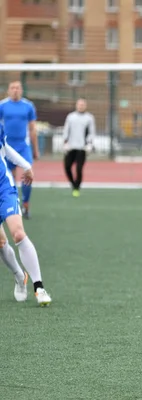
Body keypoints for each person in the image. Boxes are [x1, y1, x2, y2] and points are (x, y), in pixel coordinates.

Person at [0, 123, 51, 306]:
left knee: (18, 233)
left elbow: (4, 148)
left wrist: (25, 165)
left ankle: (39, 287)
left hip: (4, 187)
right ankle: (19, 276)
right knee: (1, 243)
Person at [0, 81, 39, 219]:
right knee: (8, 178)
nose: (15, 90)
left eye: (18, 88)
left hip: (23, 147)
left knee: (28, 173)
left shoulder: (28, 106)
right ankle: (10, 206)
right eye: (12, 88)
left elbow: (33, 128)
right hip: (7, 148)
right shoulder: (2, 106)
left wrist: (35, 149)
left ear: (21, 90)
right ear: (8, 90)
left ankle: (26, 204)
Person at [62, 98, 96, 197]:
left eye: (83, 104)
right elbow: (66, 130)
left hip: (82, 148)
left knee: (79, 168)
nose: (81, 106)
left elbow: (91, 132)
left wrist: (90, 144)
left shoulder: (89, 118)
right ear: (76, 105)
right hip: (71, 147)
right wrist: (65, 142)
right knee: (67, 166)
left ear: (85, 106)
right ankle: (73, 183)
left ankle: (77, 187)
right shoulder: (71, 117)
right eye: (79, 104)